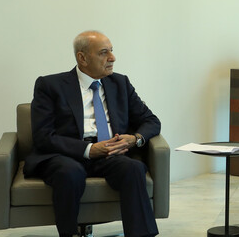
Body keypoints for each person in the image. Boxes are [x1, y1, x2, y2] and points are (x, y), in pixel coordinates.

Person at [24, 30, 161, 237]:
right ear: (82, 58)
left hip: (110, 153)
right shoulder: (50, 85)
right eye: (104, 52)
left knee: (133, 168)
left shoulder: (120, 83)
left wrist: (135, 139)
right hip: (66, 155)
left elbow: (151, 120)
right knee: (70, 173)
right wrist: (88, 149)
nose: (112, 58)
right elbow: (43, 136)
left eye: (111, 51)